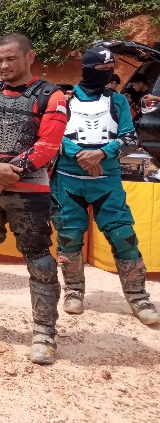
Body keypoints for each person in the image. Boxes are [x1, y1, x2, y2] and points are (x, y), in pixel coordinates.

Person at [0, 32, 67, 365]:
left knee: (40, 260)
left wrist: (5, 174)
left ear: (29, 57)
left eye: (11, 58)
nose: (3, 65)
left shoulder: (52, 96)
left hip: (30, 191)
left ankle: (44, 332)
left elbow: (48, 145)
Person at [52, 45, 159, 325]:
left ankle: (138, 297)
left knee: (123, 236)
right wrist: (81, 155)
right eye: (100, 69)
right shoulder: (64, 100)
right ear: (86, 69)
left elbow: (129, 137)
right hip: (69, 181)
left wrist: (101, 154)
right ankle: (73, 291)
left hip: (106, 181)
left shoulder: (118, 101)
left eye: (110, 69)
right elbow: (52, 134)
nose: (106, 74)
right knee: (69, 236)